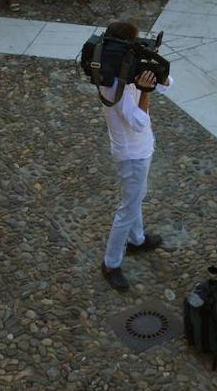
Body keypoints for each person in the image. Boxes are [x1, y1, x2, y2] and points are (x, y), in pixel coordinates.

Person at [92, 19, 170, 291]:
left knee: (137, 196)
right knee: (127, 207)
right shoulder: (115, 83)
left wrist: (153, 66)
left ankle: (136, 239)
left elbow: (168, 82)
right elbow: (138, 121)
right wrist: (145, 93)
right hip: (132, 153)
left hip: (138, 148)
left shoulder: (121, 69)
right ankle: (111, 262)